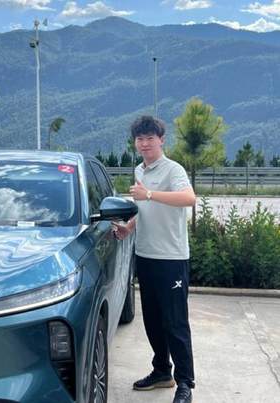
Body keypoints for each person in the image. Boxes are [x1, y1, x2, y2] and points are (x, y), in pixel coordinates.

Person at [113, 115, 196, 403]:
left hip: (171, 258)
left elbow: (189, 198)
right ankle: (162, 371)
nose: (144, 143)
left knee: (175, 322)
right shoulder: (139, 169)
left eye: (150, 138)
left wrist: (148, 193)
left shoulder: (173, 169)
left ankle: (185, 384)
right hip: (145, 255)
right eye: (140, 139)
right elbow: (144, 210)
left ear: (161, 140)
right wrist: (129, 227)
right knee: (152, 320)